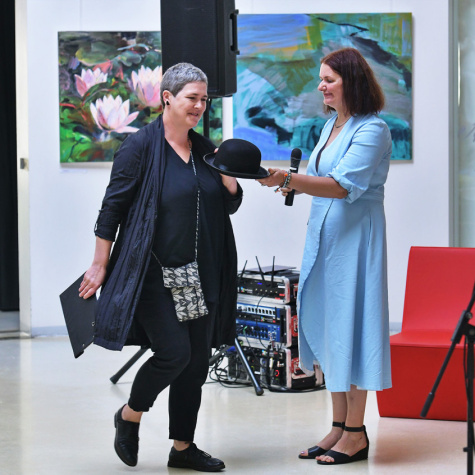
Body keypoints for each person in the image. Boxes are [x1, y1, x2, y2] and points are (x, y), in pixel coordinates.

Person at [79, 62, 242, 472]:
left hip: (200, 274)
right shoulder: (140, 147)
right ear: (167, 97)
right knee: (174, 353)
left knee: (196, 362)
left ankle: (182, 448)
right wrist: (99, 264)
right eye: (192, 98)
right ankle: (129, 415)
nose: (200, 106)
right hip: (153, 274)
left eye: (204, 99)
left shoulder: (205, 150)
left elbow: (228, 206)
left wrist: (231, 180)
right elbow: (111, 209)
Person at [258, 47, 392, 465]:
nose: (320, 86)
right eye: (321, 79)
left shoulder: (373, 129)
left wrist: (289, 178)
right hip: (324, 241)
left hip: (356, 243)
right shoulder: (332, 125)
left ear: (352, 81)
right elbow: (319, 179)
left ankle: (356, 433)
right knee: (334, 330)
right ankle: (338, 426)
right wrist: (291, 182)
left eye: (328, 79)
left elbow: (339, 185)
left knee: (354, 329)